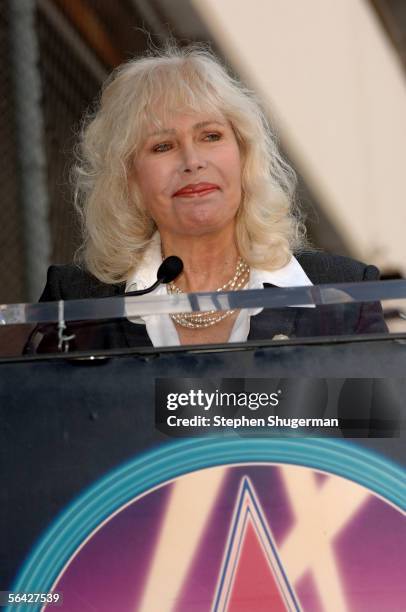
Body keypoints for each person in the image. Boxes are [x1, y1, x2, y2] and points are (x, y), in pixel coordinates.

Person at [26, 44, 386, 353]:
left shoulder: (340, 294)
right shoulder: (76, 301)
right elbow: (35, 426)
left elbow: (375, 429)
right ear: (130, 179)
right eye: (163, 146)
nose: (192, 161)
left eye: (210, 136)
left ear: (244, 156)